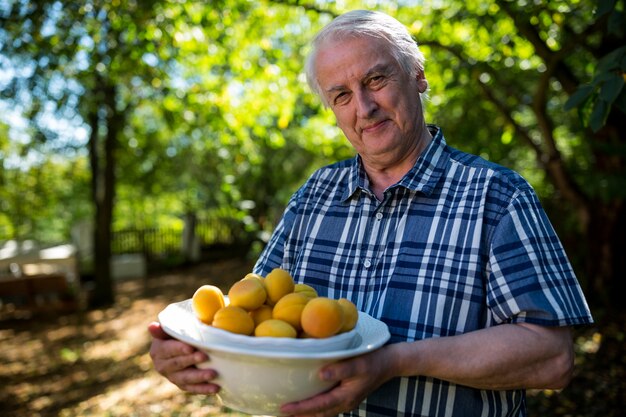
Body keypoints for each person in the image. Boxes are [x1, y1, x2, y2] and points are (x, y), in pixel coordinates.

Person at [148, 10, 593, 417]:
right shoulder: (314, 197)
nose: (363, 107)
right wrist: (195, 351)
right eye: (341, 95)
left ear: (417, 76)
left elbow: (551, 357)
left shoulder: (497, 196)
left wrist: (395, 361)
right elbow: (255, 322)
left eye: (376, 80)